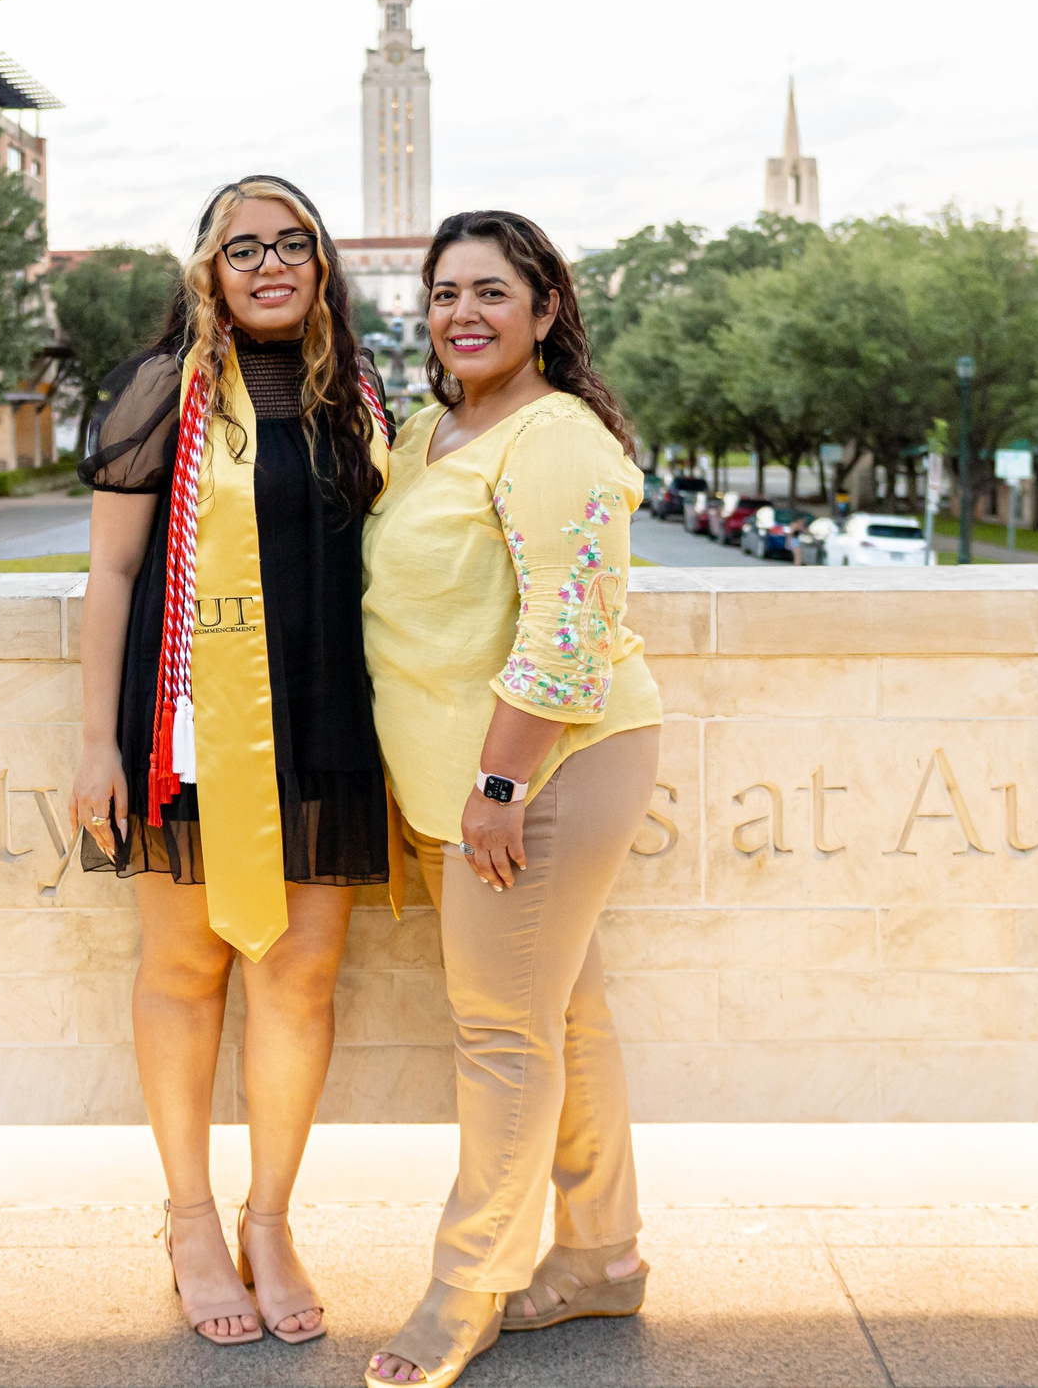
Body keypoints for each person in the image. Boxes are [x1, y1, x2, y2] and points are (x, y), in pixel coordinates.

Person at [70, 175, 392, 1348]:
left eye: (291, 243)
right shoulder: (165, 392)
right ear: (206, 268)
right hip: (187, 725)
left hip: (324, 720)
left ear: (321, 264)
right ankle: (191, 1221)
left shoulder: (358, 397)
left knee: (300, 978)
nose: (268, 262)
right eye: (241, 245)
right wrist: (96, 739)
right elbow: (110, 573)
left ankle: (271, 1221)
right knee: (184, 968)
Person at [360, 209, 664, 1387]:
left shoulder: (554, 437)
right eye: (445, 294)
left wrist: (494, 784)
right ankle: (601, 1259)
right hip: (465, 781)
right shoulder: (434, 429)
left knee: (499, 1033)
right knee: (562, 1018)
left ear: (545, 312)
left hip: (545, 769)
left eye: (492, 292)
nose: (463, 313)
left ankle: (468, 1283)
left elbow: (568, 630)